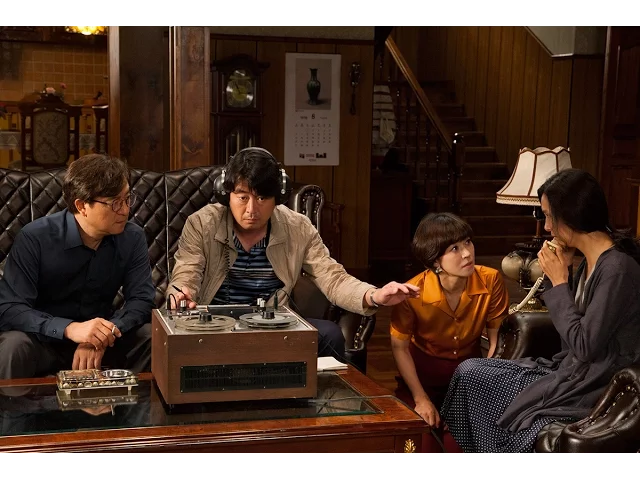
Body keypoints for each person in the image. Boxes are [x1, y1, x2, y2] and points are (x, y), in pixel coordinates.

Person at [440, 168, 640, 453]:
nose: (546, 227)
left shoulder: (617, 269)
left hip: (593, 384)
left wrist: (559, 283)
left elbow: (584, 346)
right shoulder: (588, 262)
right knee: (470, 372)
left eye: (548, 216)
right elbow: (568, 338)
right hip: (569, 371)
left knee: (476, 377)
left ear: (570, 216)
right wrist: (563, 273)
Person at [168, 146, 419, 361]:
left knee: (330, 335)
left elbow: (332, 277)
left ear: (279, 197)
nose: (251, 209)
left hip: (271, 325)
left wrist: (374, 295)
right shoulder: (201, 223)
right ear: (226, 195)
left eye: (262, 198)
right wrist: (182, 294)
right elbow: (187, 271)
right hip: (214, 327)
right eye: (242, 197)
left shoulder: (297, 227)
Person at [0, 154, 155, 379]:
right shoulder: (35, 238)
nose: (124, 210)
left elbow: (142, 300)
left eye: (127, 199)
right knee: (13, 346)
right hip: (45, 342)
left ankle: (135, 403)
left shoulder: (132, 237)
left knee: (152, 337)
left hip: (103, 344)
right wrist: (69, 329)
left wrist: (104, 333)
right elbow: (11, 308)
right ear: (81, 206)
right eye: (114, 203)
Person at [390, 212, 509, 451]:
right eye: (454, 248)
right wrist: (421, 399)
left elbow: (497, 343)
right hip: (422, 380)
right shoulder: (412, 293)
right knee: (421, 446)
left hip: (470, 378)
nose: (467, 253)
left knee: (460, 446)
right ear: (435, 261)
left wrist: (478, 394)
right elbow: (399, 347)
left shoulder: (491, 280)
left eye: (468, 242)